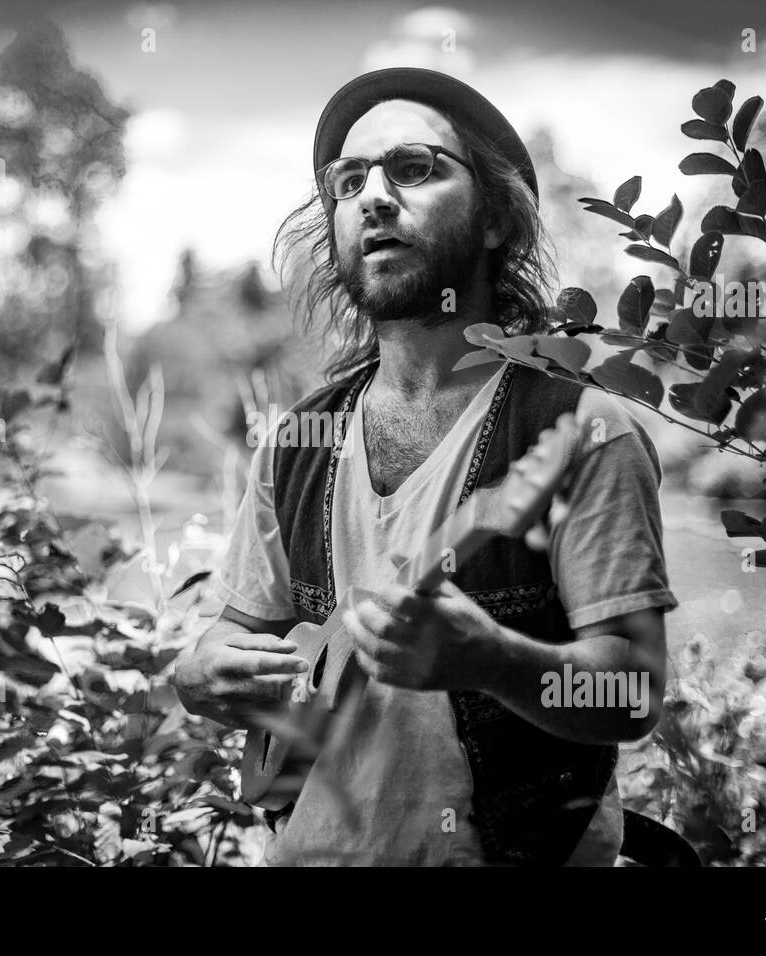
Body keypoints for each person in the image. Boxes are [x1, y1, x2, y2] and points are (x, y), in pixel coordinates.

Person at [173, 67, 678, 866]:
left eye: (413, 169)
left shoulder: (582, 430)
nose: (373, 196)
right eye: (349, 181)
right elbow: (231, 638)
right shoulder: (298, 441)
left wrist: (496, 661)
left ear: (493, 221)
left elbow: (633, 693)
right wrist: (200, 675)